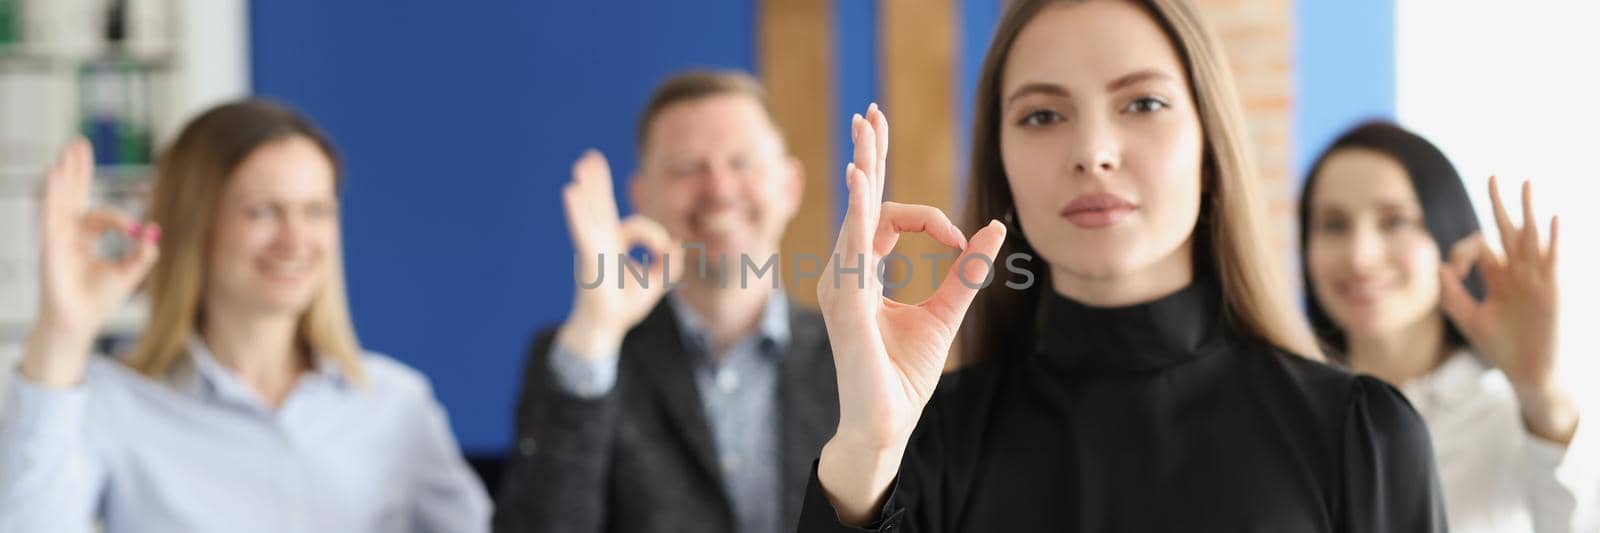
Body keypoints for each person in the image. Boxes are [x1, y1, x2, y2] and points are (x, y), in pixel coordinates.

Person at [797, 0, 1446, 530]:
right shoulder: (925, 445)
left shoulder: (1360, 435)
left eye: (1143, 104)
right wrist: (870, 444)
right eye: (1043, 114)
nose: (1093, 151)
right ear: (1002, 165)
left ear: (1210, 144)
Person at [0, 100, 491, 533]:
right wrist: (62, 334)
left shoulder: (395, 404)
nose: (296, 241)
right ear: (195, 223)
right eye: (262, 212)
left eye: (316, 210)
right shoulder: (112, 403)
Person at [492, 70, 838, 533]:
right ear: (642, 197)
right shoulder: (582, 361)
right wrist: (595, 340)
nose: (718, 188)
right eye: (686, 168)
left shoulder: (851, 359)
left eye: (741, 162)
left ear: (790, 186)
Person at [1300, 120, 1597, 532]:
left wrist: (1537, 388)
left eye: (1395, 221)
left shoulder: (1508, 420)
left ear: (1445, 231)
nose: (1360, 256)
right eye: (1334, 224)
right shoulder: (1288, 413)